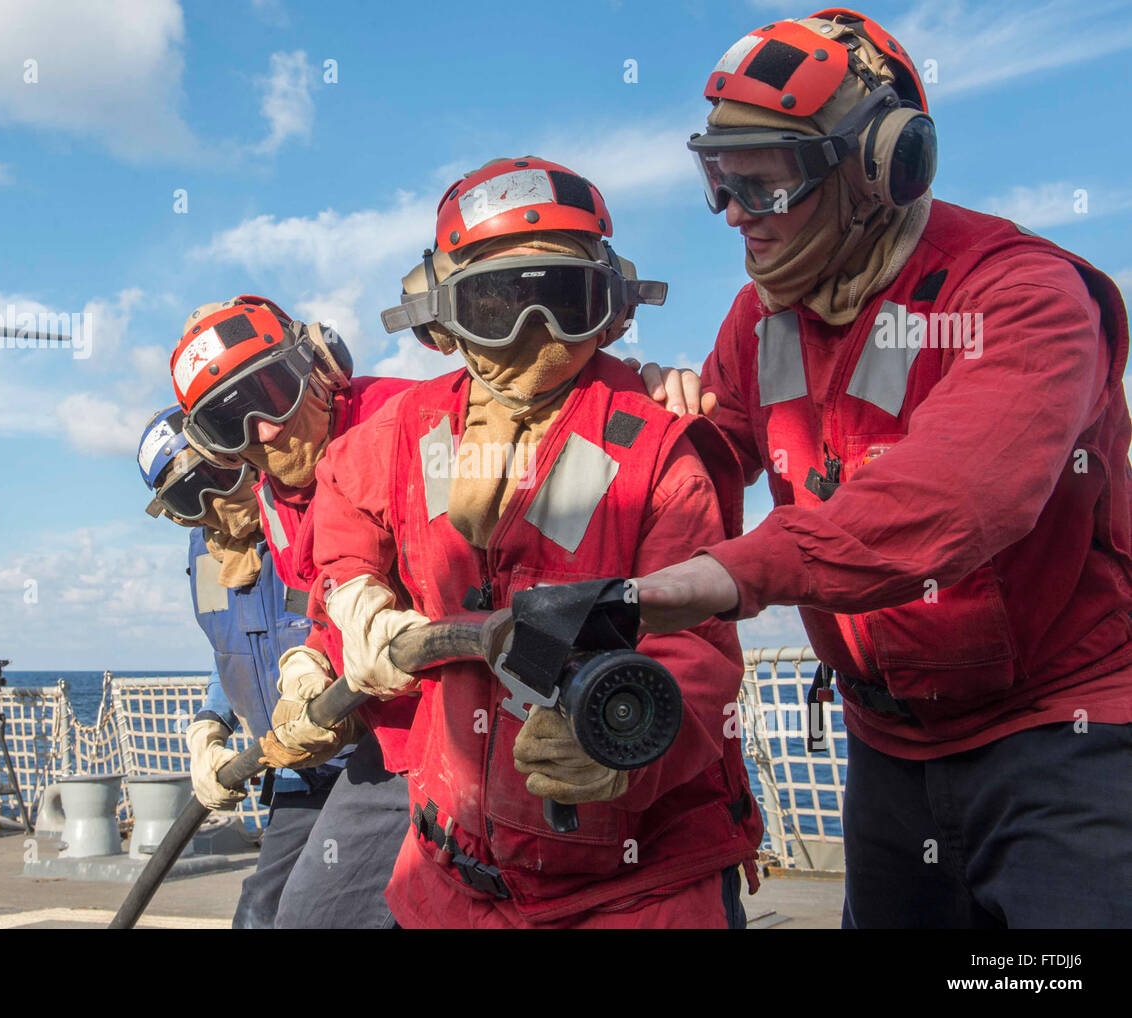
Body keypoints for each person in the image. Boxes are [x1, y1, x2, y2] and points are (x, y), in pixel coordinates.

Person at [631, 9, 1132, 928]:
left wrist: (727, 576)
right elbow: (713, 464)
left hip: (1065, 734)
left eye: (767, 184)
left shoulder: (1024, 296)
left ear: (884, 169)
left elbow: (953, 496)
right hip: (888, 746)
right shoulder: (759, 320)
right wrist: (649, 430)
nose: (737, 215)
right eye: (721, 181)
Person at [305, 157, 762, 929]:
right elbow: (341, 491)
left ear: (610, 307)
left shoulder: (657, 447)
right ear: (443, 316)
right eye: (497, 304)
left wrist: (629, 747)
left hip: (638, 890)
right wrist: (355, 602)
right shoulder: (411, 430)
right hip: (452, 878)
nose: (533, 334)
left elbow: (698, 650)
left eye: (562, 301)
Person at [168, 295, 417, 928]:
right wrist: (306, 665)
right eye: (230, 426)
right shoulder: (274, 510)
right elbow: (296, 630)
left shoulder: (410, 418)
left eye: (272, 393)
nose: (263, 431)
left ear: (321, 366)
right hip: (386, 739)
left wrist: (647, 385)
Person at [138, 401, 360, 928]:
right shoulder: (207, 558)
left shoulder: (314, 517)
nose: (216, 501)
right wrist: (210, 726)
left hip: (365, 760)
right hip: (293, 768)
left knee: (338, 908)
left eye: (219, 475)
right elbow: (233, 652)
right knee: (261, 912)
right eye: (192, 496)